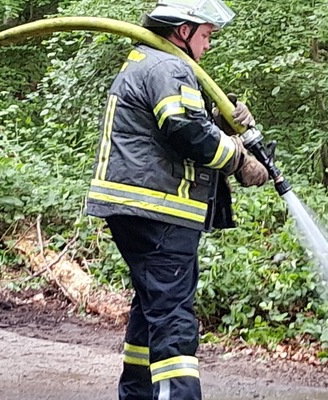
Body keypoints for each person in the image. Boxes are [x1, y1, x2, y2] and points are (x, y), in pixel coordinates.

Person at [85, 0, 269, 398]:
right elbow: (184, 130)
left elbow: (175, 125)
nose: (208, 44)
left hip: (137, 207)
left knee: (150, 308)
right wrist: (238, 157)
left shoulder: (148, 62)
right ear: (182, 31)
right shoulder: (170, 66)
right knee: (173, 318)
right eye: (205, 35)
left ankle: (138, 393)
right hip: (158, 210)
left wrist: (218, 122)